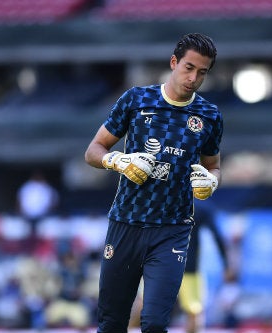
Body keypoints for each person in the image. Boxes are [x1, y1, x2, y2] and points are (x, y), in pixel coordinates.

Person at [84, 33, 222, 333]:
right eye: (188, 67)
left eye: (202, 72)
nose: (194, 77)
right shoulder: (136, 99)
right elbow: (93, 150)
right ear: (173, 63)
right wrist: (117, 161)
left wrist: (211, 182)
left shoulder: (209, 115)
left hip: (172, 230)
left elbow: (214, 166)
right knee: (111, 323)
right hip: (126, 223)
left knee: (156, 323)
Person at [178, 200, 232, 333]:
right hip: (188, 265)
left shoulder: (166, 201)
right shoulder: (202, 208)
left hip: (160, 263)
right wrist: (226, 265)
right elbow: (217, 236)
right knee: (194, 311)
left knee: (145, 305)